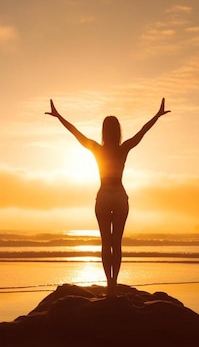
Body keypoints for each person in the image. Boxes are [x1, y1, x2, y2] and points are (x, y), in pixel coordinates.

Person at [46, 98, 170, 295]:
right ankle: (114, 282)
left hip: (104, 196)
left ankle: (109, 283)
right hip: (119, 196)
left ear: (104, 131)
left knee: (106, 242)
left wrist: (59, 116)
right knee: (116, 243)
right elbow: (143, 131)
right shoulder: (123, 148)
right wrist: (157, 115)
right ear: (118, 130)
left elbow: (75, 132)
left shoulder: (97, 149)